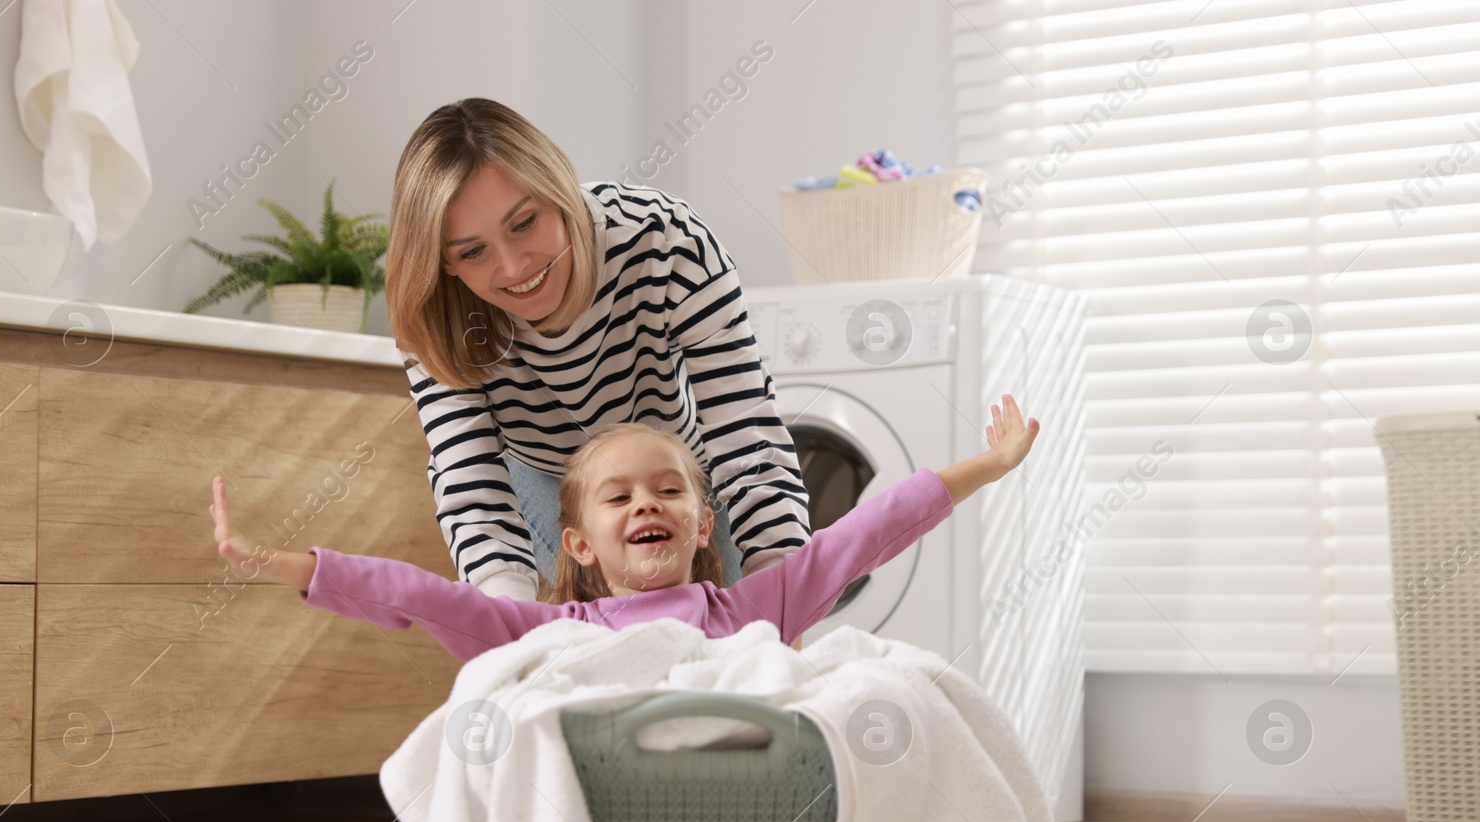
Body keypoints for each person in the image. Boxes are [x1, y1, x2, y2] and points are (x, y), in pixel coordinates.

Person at [207, 396, 1039, 661]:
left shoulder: (757, 609)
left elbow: (870, 529)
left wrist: (990, 466)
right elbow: (414, 594)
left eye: (668, 489)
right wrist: (275, 562)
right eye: (618, 498)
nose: (646, 503)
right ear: (579, 544)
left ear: (702, 524)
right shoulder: (550, 632)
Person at [384, 97, 811, 604]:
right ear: (446, 263)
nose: (515, 266)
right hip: (546, 479)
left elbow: (749, 443)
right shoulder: (435, 313)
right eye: (473, 252)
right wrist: (509, 635)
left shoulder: (666, 241)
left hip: (684, 473)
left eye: (524, 223)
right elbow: (473, 491)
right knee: (617, 638)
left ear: (560, 192)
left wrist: (783, 602)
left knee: (739, 630)